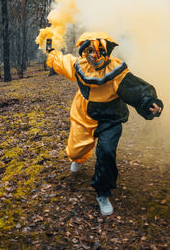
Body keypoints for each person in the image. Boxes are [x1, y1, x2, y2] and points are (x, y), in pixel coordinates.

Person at [46, 31, 163, 216]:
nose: (95, 55)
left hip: (111, 116)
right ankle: (78, 158)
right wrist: (51, 51)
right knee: (75, 151)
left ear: (107, 51)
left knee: (107, 152)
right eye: (90, 51)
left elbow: (135, 89)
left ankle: (102, 192)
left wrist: (149, 103)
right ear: (85, 52)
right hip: (84, 115)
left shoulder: (117, 70)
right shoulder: (79, 65)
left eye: (99, 50)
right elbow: (61, 62)